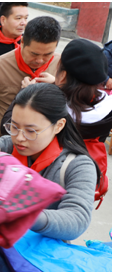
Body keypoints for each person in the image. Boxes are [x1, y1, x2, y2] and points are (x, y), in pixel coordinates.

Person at [0, 83, 98, 241]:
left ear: (59, 126)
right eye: (14, 127)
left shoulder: (77, 165)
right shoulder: (6, 147)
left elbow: (76, 219)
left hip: (37, 257)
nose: (20, 137)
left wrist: (25, 214)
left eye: (31, 131)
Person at [0, 16, 61, 141]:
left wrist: (57, 84)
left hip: (45, 146)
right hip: (3, 145)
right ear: (22, 42)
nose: (40, 60)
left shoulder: (61, 66)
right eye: (34, 54)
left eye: (48, 54)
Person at [55, 39, 111, 200]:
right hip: (84, 184)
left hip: (52, 181)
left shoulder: (50, 106)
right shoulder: (106, 110)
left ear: (63, 74)